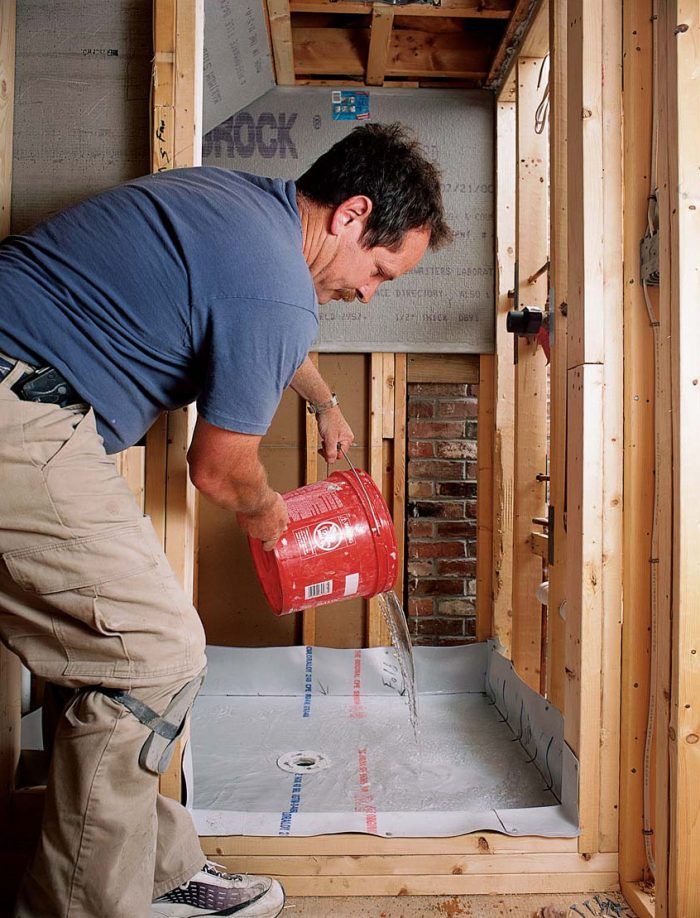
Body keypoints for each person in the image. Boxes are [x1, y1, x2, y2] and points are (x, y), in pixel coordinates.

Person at [0, 122, 451, 918]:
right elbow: (216, 471)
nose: (371, 292)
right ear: (350, 215)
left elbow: (269, 326)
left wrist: (323, 401)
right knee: (154, 655)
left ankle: (158, 865)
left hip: (23, 382)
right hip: (19, 405)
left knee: (98, 654)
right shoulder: (276, 285)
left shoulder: (237, 204)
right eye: (380, 269)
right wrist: (268, 510)